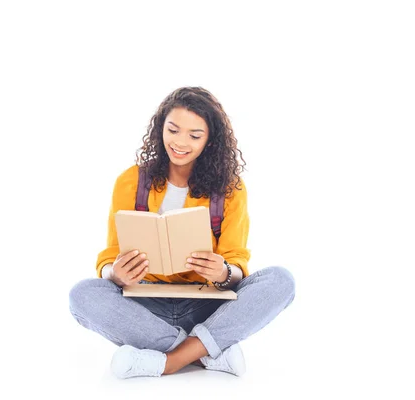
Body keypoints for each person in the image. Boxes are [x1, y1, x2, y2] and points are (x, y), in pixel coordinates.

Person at [69, 86, 295, 378]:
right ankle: (205, 353)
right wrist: (116, 273)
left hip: (206, 302)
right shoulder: (131, 181)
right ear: (160, 128)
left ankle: (168, 362)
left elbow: (237, 262)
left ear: (210, 141)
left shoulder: (230, 189)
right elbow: (110, 255)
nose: (180, 142)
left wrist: (224, 272)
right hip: (145, 304)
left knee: (280, 280)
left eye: (194, 136)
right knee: (83, 295)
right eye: (173, 130)